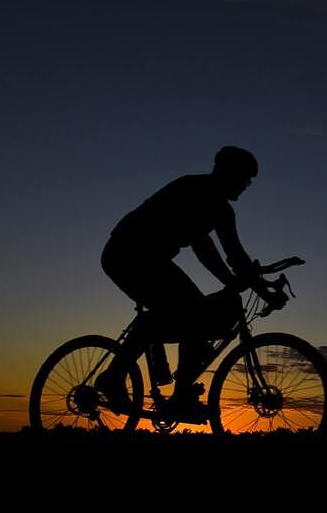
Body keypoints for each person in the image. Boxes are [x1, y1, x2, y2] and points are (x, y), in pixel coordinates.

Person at [95, 146, 262, 420]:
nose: (246, 186)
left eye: (249, 181)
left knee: (190, 316)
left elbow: (236, 255)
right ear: (227, 173)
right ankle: (120, 379)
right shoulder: (194, 189)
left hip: (152, 259)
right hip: (127, 253)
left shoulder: (224, 212)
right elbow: (203, 246)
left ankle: (170, 387)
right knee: (193, 311)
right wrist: (231, 281)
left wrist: (261, 285)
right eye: (245, 179)